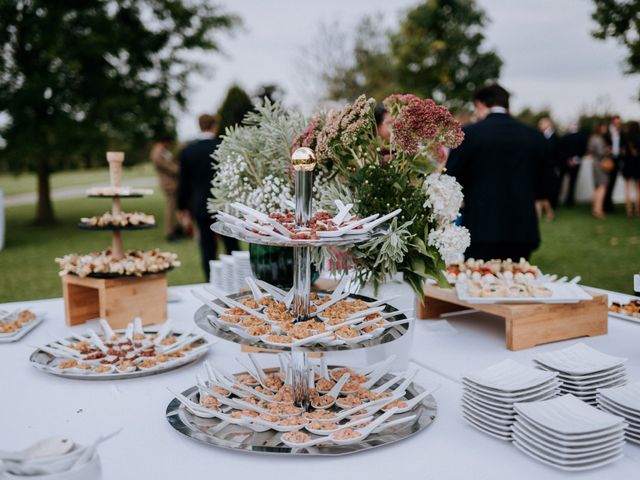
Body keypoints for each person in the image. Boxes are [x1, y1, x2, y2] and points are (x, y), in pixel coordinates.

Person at [446, 84, 555, 261]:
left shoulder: (470, 135)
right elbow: (547, 186)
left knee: (477, 284)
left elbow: (451, 178)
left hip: (481, 227)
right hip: (522, 230)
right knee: (516, 284)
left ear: (480, 104)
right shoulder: (534, 137)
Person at [178, 114, 238, 280]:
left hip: (200, 204)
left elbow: (183, 183)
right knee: (232, 245)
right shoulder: (224, 147)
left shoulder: (188, 151)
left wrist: (182, 207)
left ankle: (210, 281)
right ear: (214, 126)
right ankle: (237, 281)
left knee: (207, 247)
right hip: (225, 204)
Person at [149, 135, 181, 241]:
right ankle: (169, 233)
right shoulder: (158, 152)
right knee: (170, 209)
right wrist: (180, 170)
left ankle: (176, 229)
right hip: (168, 183)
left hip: (172, 183)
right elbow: (166, 165)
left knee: (174, 208)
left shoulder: (162, 151)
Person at [557, 126, 587, 207]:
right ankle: (569, 201)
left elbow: (561, 150)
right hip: (576, 162)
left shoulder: (564, 137)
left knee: (560, 181)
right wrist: (575, 159)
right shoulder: (582, 137)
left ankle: (556, 199)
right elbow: (583, 150)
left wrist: (568, 159)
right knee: (572, 183)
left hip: (565, 162)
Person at [536, 117, 559, 220]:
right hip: (541, 167)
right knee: (539, 192)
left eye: (541, 124)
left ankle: (549, 212)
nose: (539, 126)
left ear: (548, 124)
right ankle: (539, 214)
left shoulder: (554, 137)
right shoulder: (541, 136)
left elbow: (554, 153)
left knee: (542, 192)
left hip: (548, 168)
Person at [588, 122, 610, 219]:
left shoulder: (592, 138)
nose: (605, 129)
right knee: (602, 187)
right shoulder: (599, 139)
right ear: (600, 128)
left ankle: (595, 209)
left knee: (597, 187)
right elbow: (601, 152)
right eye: (604, 127)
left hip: (595, 163)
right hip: (601, 164)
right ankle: (598, 209)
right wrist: (608, 150)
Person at [603, 115, 626, 213]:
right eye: (616, 122)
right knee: (606, 183)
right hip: (608, 160)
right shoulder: (607, 133)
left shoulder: (621, 133)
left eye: (618, 122)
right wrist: (608, 149)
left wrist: (621, 150)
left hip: (617, 160)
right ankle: (604, 203)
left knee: (612, 183)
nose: (617, 124)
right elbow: (604, 146)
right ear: (612, 122)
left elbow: (623, 145)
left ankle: (608, 204)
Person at [623, 121, 640, 216]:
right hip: (638, 165)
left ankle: (629, 210)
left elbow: (624, 154)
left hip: (628, 165)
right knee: (638, 189)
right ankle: (638, 210)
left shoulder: (626, 139)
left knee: (627, 188)